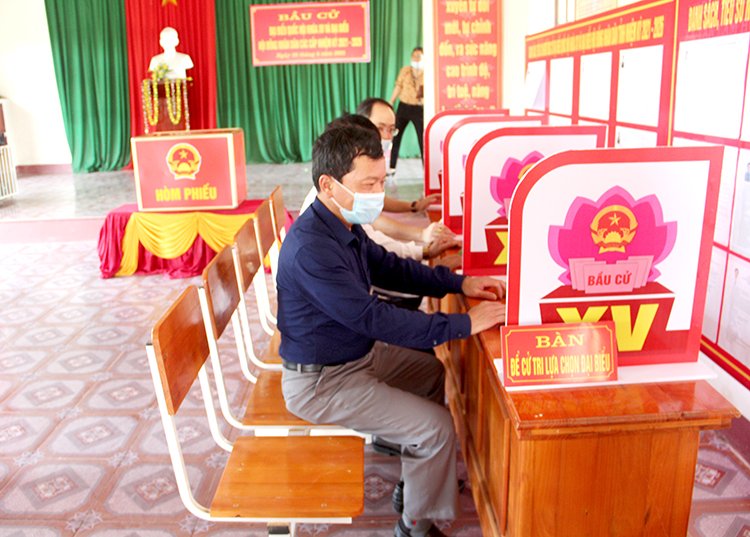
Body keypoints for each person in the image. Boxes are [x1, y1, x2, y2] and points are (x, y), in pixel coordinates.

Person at [277, 120, 505, 537]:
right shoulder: (312, 248)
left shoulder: (342, 225)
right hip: (322, 382)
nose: (377, 194)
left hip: (355, 356)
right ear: (328, 184)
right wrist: (465, 322)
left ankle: (415, 479)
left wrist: (459, 283)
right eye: (368, 184)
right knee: (436, 428)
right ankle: (413, 527)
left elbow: (391, 268)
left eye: (381, 181)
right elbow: (374, 318)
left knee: (430, 372)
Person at [389, 47, 425, 172]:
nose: (416, 58)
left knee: (422, 139)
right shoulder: (405, 71)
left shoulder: (427, 73)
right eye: (414, 56)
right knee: (396, 136)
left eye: (419, 56)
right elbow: (398, 86)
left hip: (419, 109)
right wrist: (391, 101)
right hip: (403, 107)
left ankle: (426, 169)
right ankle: (392, 167)